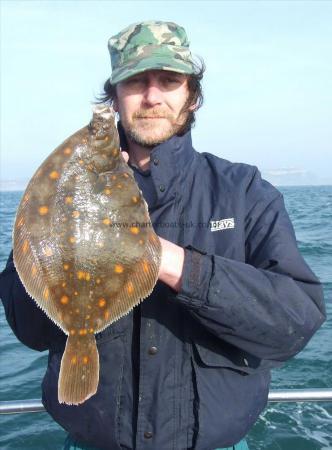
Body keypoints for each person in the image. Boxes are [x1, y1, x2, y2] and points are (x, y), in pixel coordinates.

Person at [0, 20, 326, 450]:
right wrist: (66, 219)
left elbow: (294, 324)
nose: (152, 96)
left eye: (168, 81)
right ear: (114, 98)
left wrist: (172, 262)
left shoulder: (244, 191)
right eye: (136, 82)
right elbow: (29, 330)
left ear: (190, 96)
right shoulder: (66, 188)